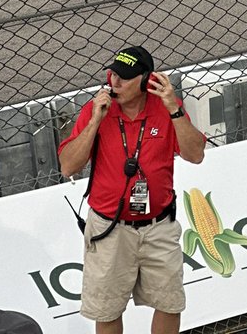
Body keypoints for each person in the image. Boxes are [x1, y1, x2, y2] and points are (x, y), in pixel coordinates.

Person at [58, 45, 205, 334]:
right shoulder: (95, 108)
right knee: (108, 309)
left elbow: (195, 154)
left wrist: (174, 109)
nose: (115, 83)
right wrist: (95, 121)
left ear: (147, 80)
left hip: (158, 224)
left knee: (169, 303)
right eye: (112, 75)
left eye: (124, 78)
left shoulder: (167, 107)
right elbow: (67, 166)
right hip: (110, 228)